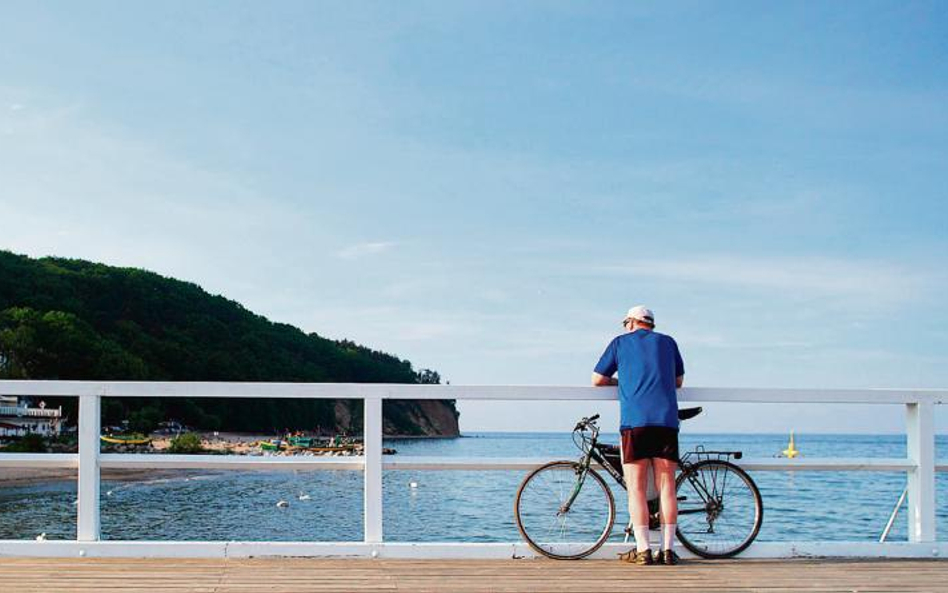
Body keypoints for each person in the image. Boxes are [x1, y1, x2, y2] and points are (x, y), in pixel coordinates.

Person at [592, 305, 684, 566]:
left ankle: (643, 549)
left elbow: (597, 379)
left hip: (635, 423)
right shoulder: (668, 343)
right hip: (666, 421)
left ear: (631, 322)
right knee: (668, 488)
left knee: (637, 489)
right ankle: (667, 550)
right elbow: (678, 382)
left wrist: (622, 382)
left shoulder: (620, 343)